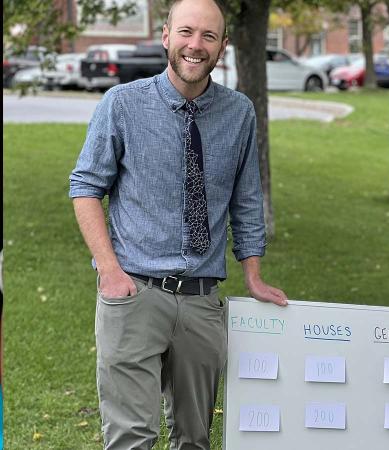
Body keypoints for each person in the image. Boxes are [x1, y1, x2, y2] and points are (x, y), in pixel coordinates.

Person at [69, 0, 288, 448]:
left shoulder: (239, 113)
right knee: (132, 437)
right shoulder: (122, 104)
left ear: (223, 46)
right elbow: (86, 187)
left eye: (209, 36)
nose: (196, 45)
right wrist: (109, 271)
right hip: (134, 293)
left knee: (195, 439)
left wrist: (253, 275)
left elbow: (246, 199)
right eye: (186, 32)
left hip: (202, 301)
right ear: (166, 36)